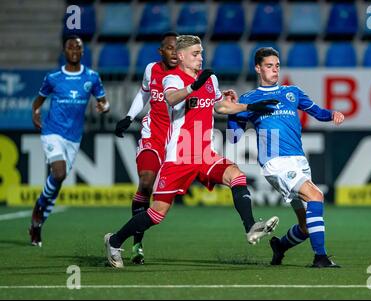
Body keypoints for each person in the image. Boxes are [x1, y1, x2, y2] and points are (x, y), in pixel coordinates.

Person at [104, 35, 279, 268]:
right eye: (195, 54)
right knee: (157, 214)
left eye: (202, 53)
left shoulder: (210, 78)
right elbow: (171, 98)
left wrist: (249, 107)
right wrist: (193, 86)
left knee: (237, 175)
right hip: (179, 155)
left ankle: (251, 227)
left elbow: (220, 105)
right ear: (181, 56)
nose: (200, 57)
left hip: (205, 152)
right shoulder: (171, 78)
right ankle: (114, 241)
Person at [227, 47, 345, 268]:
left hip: (299, 161)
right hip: (276, 163)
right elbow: (234, 137)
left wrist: (332, 114)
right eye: (269, 66)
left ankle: (279, 246)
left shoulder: (292, 92)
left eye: (277, 66)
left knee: (306, 225)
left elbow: (318, 112)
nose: (275, 70)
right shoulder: (250, 99)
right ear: (258, 68)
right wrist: (234, 111)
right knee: (316, 196)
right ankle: (320, 258)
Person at [29, 35, 109, 247]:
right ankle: (38, 209)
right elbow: (38, 101)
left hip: (74, 138)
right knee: (59, 173)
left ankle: (37, 223)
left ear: (83, 52)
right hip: (52, 131)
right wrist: (35, 112)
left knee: (57, 183)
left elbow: (104, 101)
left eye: (78, 47)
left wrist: (104, 107)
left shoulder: (92, 77)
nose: (74, 49)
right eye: (70, 46)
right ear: (64, 51)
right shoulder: (53, 77)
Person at [113, 32, 179, 264]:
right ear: (161, 51)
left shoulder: (189, 73)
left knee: (162, 205)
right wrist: (130, 116)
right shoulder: (152, 69)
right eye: (169, 48)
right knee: (147, 180)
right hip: (153, 134)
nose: (174, 52)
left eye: (177, 48)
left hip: (178, 141)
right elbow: (144, 92)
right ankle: (137, 244)